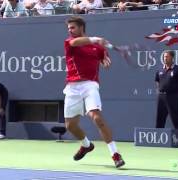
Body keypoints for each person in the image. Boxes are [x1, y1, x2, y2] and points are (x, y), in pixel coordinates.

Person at [63, 16, 125, 168]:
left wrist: (105, 61)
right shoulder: (70, 42)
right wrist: (95, 39)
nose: (70, 31)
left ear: (81, 28)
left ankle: (115, 154)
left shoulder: (98, 48)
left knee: (97, 118)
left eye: (73, 28)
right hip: (72, 87)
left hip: (90, 85)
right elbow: (76, 42)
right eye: (69, 28)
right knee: (70, 126)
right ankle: (86, 145)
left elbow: (104, 60)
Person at [155, 50, 178, 145]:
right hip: (161, 97)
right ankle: (157, 139)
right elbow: (157, 81)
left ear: (172, 58)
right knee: (159, 119)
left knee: (177, 119)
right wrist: (160, 90)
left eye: (167, 57)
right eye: (164, 57)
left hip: (173, 97)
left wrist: (176, 92)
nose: (165, 58)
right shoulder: (160, 70)